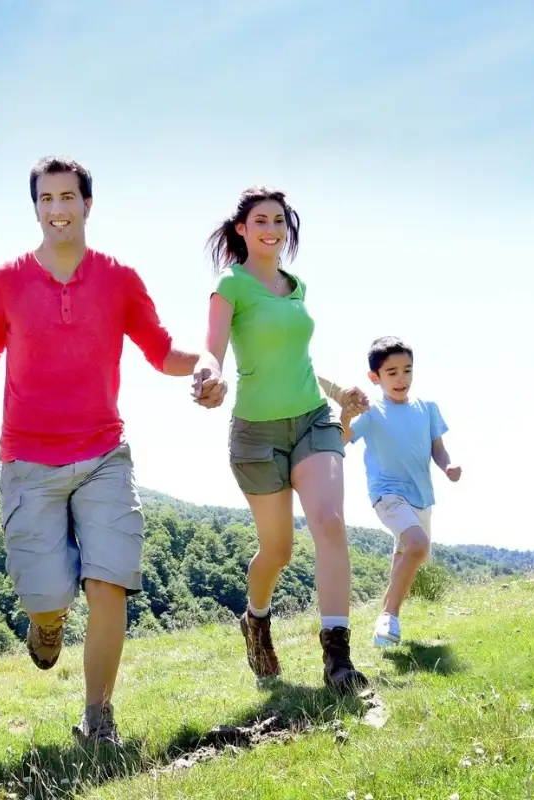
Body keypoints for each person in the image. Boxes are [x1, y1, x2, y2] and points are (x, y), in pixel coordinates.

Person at [0, 156, 216, 745]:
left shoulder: (120, 278)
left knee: (109, 582)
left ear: (88, 204)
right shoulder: (6, 279)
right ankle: (47, 621)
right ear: (35, 207)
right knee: (45, 597)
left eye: (67, 197)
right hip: (28, 461)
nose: (57, 209)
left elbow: (161, 351)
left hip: (103, 453)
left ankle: (98, 719)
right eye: (46, 198)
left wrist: (207, 363)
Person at [189, 185, 373, 692]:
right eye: (261, 221)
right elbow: (212, 349)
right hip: (257, 435)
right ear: (242, 230)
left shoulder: (296, 286)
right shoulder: (231, 285)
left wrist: (338, 392)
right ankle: (256, 618)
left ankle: (338, 658)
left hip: (313, 419)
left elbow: (298, 360)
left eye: (279, 221)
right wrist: (210, 376)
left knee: (329, 522)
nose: (272, 229)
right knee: (278, 552)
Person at [340, 336, 462, 648]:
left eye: (407, 370)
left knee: (405, 557)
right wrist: (346, 414)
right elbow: (340, 439)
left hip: (421, 496)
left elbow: (438, 449)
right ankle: (390, 616)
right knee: (418, 545)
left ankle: (384, 629)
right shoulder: (372, 413)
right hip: (387, 493)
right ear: (375, 377)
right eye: (392, 372)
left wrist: (448, 466)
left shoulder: (427, 409)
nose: (401, 379)